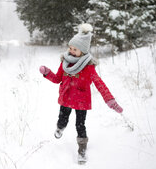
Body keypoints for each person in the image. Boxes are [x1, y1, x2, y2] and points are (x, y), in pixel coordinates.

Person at [38, 23, 123, 164]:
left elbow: (100, 84)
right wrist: (47, 73)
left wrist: (110, 100)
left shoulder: (88, 68)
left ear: (82, 51)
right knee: (62, 118)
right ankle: (60, 128)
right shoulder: (65, 63)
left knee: (80, 125)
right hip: (66, 97)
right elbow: (57, 79)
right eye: (70, 48)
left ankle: (82, 149)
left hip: (81, 101)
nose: (71, 51)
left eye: (75, 49)